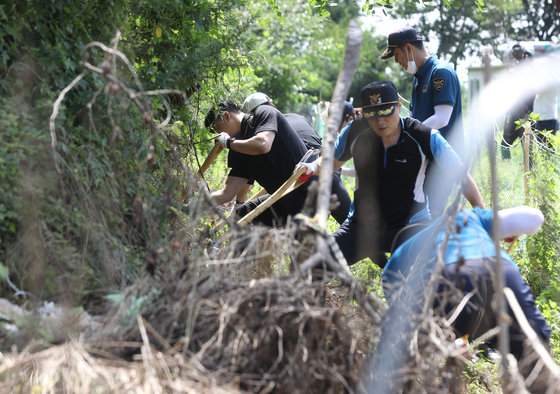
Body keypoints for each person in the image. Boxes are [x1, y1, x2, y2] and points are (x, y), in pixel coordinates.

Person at [299, 81, 485, 268]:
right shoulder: (354, 131)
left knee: (438, 274)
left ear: (398, 106)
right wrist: (312, 167)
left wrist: (481, 212)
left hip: (412, 227)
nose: (380, 121)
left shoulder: (423, 136)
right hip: (361, 226)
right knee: (314, 264)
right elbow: (331, 162)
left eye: (386, 112)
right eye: (373, 114)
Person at [382, 206, 552, 392]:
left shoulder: (395, 260)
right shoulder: (466, 217)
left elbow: (406, 321)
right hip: (500, 273)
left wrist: (446, 343)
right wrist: (501, 232)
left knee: (441, 366)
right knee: (536, 366)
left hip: (440, 284)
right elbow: (533, 218)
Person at [381, 27, 464, 218]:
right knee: (414, 214)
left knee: (430, 216)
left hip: (441, 160)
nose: (396, 61)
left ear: (409, 48)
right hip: (423, 158)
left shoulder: (440, 73)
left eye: (396, 54)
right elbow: (412, 118)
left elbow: (442, 119)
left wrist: (406, 134)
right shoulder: (418, 78)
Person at [239, 92, 351, 224]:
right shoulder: (295, 118)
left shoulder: (265, 136)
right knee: (354, 230)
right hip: (322, 182)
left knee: (241, 214)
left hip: (305, 190)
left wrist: (238, 202)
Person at [204, 99, 310, 227]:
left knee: (305, 243)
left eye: (219, 129)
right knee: (241, 216)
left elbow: (263, 144)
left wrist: (228, 143)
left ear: (227, 116)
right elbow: (227, 193)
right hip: (283, 200)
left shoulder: (264, 113)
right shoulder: (237, 148)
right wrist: (197, 203)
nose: (220, 135)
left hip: (307, 194)